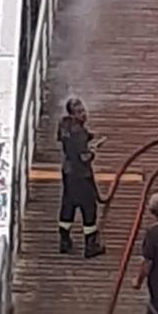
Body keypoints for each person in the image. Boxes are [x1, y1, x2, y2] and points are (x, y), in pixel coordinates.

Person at [57, 97, 106, 258]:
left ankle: (64, 241)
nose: (84, 114)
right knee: (89, 209)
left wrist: (88, 137)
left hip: (68, 172)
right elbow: (84, 157)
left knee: (68, 206)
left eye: (83, 110)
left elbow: (66, 139)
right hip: (81, 175)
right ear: (72, 114)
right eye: (79, 112)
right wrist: (94, 150)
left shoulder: (64, 124)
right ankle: (90, 246)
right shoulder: (79, 133)